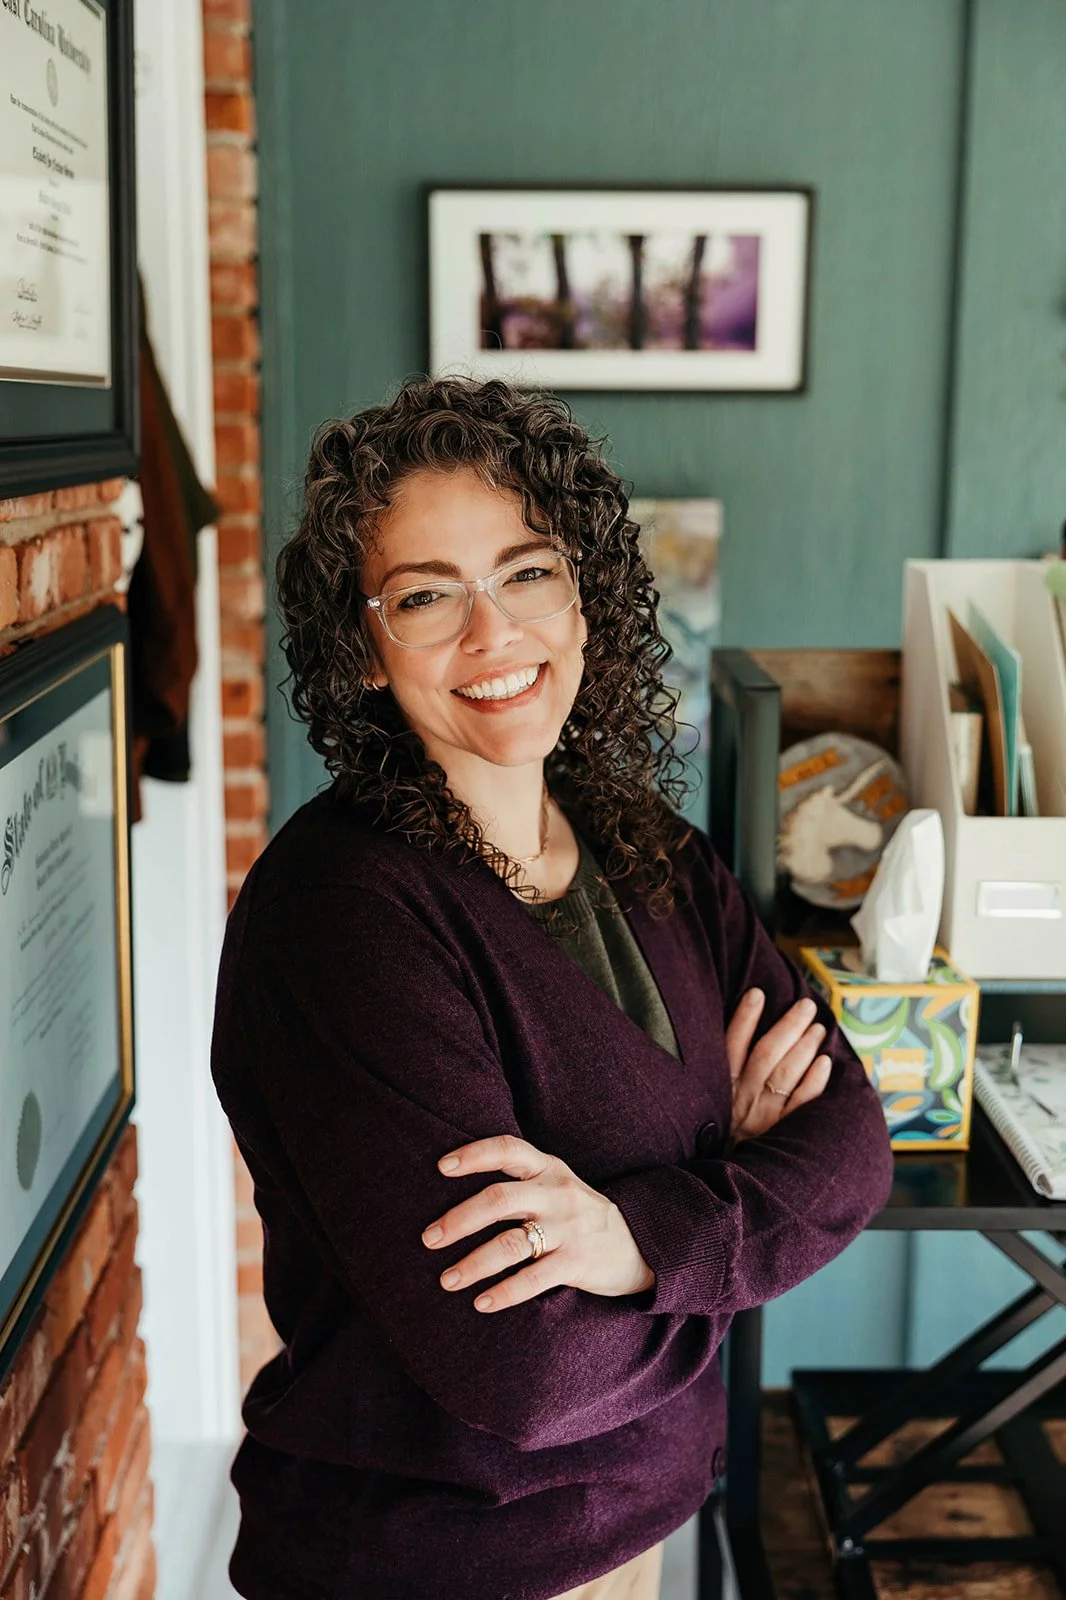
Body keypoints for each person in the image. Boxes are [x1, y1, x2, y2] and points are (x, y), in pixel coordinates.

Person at [210, 376, 894, 1600]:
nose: (493, 634)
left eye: (526, 573)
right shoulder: (344, 919)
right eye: (426, 595)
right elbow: (526, 1370)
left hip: (636, 1526)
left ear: (585, 598)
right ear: (363, 650)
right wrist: (737, 1215)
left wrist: (636, 1241)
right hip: (432, 1563)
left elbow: (850, 1146)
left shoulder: (652, 852)